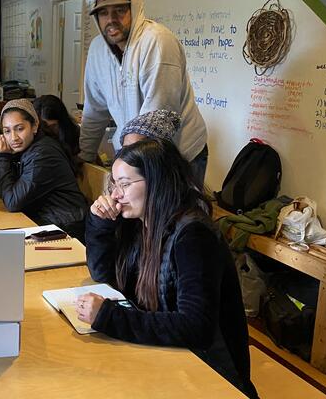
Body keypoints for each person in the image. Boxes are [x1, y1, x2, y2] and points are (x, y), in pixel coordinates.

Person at [76, 139, 258, 398]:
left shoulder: (193, 236)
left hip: (209, 372)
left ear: (157, 182)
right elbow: (103, 276)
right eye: (114, 185)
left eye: (125, 185)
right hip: (167, 354)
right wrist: (100, 226)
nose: (115, 195)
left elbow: (197, 327)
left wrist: (111, 317)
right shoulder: (141, 223)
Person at [79, 0, 208, 184]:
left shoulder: (157, 41)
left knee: (176, 214)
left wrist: (122, 170)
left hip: (179, 152)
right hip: (137, 151)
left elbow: (156, 117)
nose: (111, 19)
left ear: (135, 9)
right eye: (103, 13)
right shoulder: (97, 50)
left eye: (120, 10)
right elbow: (94, 110)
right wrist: (84, 157)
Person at [0, 99, 87, 242]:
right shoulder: (24, 148)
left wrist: (2, 158)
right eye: (7, 131)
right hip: (44, 223)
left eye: (20, 129)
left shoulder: (43, 154)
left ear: (35, 126)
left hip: (64, 230)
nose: (13, 137)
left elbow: (12, 202)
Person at [33, 95, 81, 159]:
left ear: (62, 122)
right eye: (44, 127)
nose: (49, 130)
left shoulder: (74, 132)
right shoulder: (34, 136)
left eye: (53, 126)